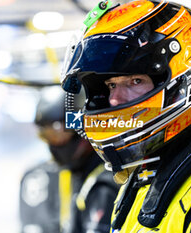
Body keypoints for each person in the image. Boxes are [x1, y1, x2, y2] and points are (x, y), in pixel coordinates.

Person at [61, 0, 191, 232]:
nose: (115, 99)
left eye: (135, 81)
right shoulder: (147, 175)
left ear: (184, 82)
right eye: (111, 85)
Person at [19, 86, 118, 233]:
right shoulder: (38, 177)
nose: (54, 144)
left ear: (81, 128)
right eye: (46, 135)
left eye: (58, 133)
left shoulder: (108, 178)